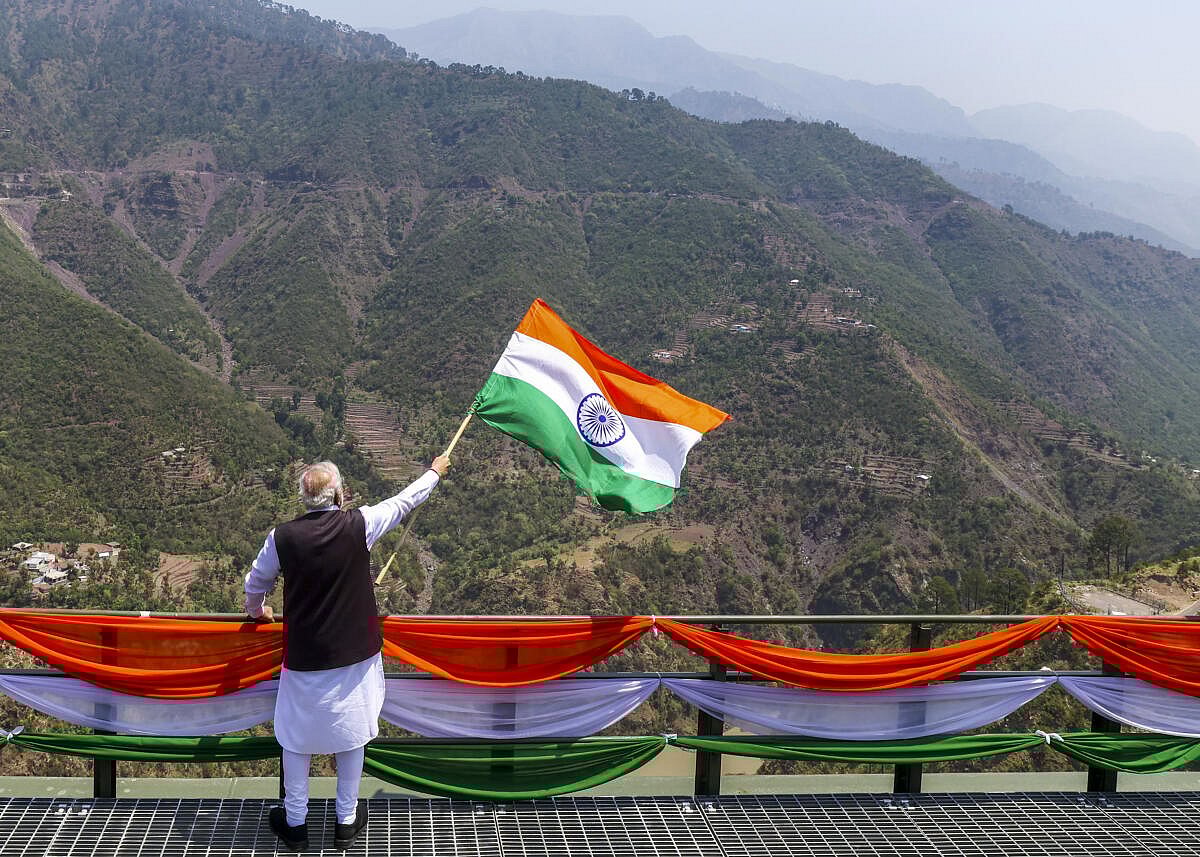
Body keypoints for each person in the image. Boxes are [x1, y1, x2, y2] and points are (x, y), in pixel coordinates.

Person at [245, 455, 450, 851]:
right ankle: (346, 819)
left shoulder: (281, 538)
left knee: (296, 738)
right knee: (352, 732)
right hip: (356, 655)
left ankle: (295, 822)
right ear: (339, 494)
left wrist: (258, 612)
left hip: (305, 657)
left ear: (304, 498)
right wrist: (434, 472)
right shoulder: (361, 524)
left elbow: (255, 584)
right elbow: (405, 501)